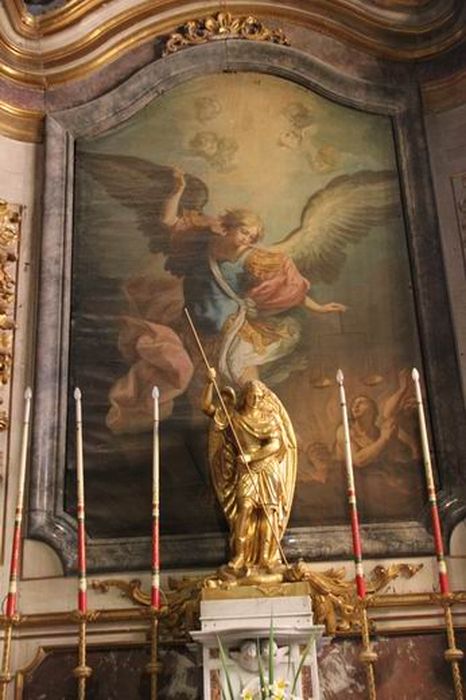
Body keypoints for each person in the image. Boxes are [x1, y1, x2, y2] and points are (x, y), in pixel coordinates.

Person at [164, 167, 346, 386]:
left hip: (229, 326)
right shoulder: (205, 237)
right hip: (196, 322)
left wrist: (319, 308)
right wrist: (177, 191)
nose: (246, 239)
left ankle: (259, 407)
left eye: (252, 237)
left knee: (238, 370)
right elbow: (169, 222)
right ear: (231, 226)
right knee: (207, 385)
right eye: (244, 232)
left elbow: (290, 289)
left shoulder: (254, 259)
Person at [202, 369, 297, 576]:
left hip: (267, 467)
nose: (255, 400)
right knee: (244, 509)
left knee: (268, 513)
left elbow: (275, 445)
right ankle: (239, 556)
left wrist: (251, 456)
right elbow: (207, 408)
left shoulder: (270, 418)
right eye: (252, 396)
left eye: (259, 397)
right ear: (245, 396)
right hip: (245, 471)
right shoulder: (233, 417)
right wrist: (209, 383)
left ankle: (267, 559)